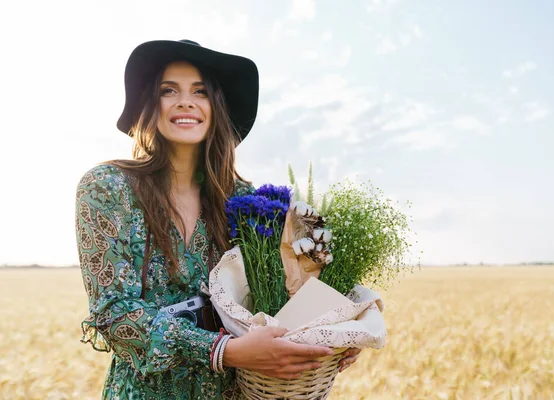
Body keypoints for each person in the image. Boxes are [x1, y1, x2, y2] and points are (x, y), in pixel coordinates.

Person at [75, 39, 361, 399]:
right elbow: (115, 313)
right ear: (150, 104)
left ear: (217, 107)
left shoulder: (248, 201)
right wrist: (224, 351)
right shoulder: (107, 188)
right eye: (168, 90)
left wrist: (332, 332)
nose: (185, 101)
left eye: (200, 91)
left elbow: (279, 295)